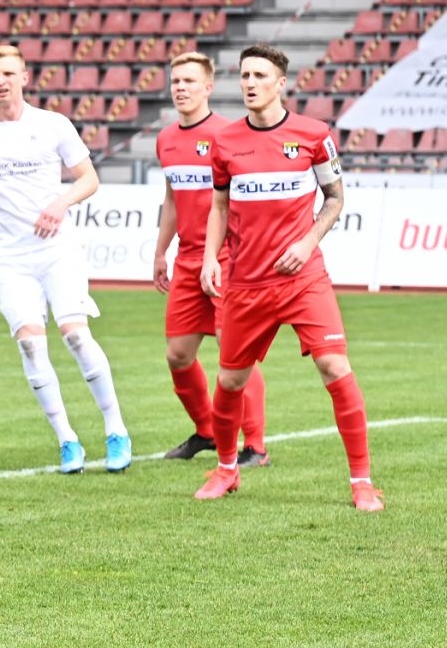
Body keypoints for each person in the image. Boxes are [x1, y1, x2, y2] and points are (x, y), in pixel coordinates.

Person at [196, 44, 382, 511]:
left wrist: (306, 243)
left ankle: (362, 482)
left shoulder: (314, 135)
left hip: (303, 280)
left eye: (260, 75)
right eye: (244, 75)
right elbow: (219, 205)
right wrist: (209, 258)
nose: (250, 83)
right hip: (246, 282)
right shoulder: (225, 142)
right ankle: (226, 470)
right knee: (231, 382)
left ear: (281, 83)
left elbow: (335, 198)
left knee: (335, 367)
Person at [0, 45, 130, 474]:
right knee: (31, 343)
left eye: (8, 73)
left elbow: (89, 178)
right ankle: (68, 441)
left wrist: (60, 204)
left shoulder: (53, 124)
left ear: (24, 77)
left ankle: (116, 429)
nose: (1, 81)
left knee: (75, 334)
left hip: (56, 250)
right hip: (10, 257)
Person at [153, 51, 268, 465]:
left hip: (227, 258)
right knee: (178, 354)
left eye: (188, 81)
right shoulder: (165, 139)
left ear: (208, 87)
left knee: (233, 353)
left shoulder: (230, 134)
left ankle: (254, 445)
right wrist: (160, 251)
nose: (180, 88)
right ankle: (205, 431)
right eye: (175, 81)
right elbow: (171, 198)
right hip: (186, 258)